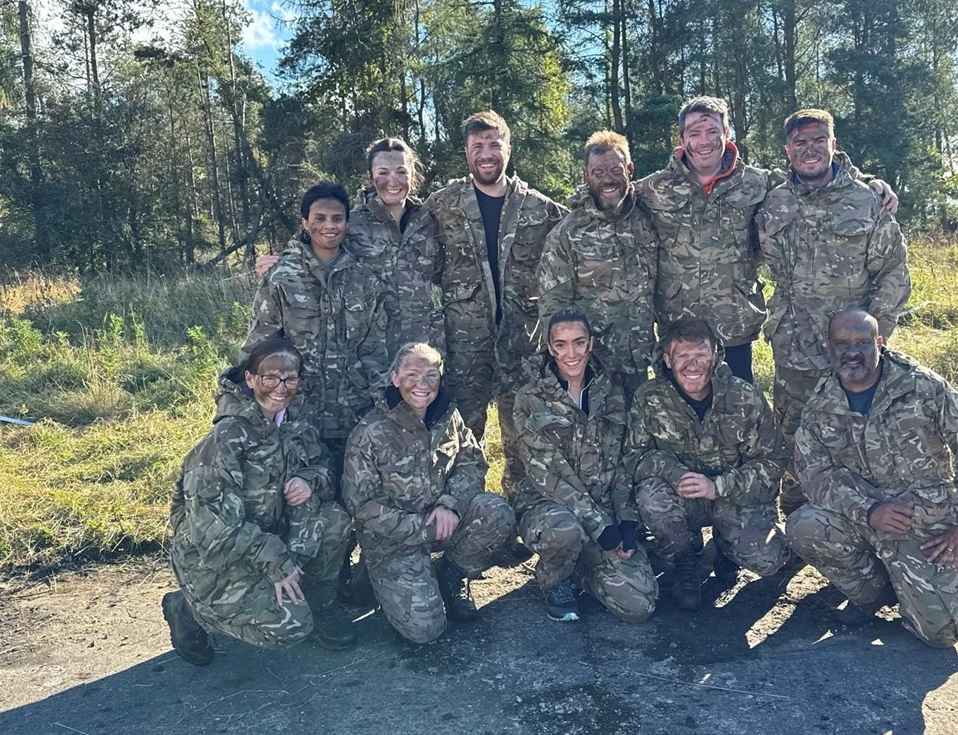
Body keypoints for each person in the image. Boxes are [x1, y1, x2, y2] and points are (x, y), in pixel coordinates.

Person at [636, 97, 898, 384]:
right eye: (695, 134)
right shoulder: (653, 189)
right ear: (682, 139)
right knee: (673, 414)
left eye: (713, 132)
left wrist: (867, 179)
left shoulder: (758, 183)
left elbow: (815, 178)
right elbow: (612, 196)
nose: (705, 141)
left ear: (726, 135)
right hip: (678, 328)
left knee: (738, 414)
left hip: (733, 327)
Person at [787, 309, 958, 648]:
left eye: (862, 342)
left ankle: (935, 582)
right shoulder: (820, 405)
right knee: (804, 525)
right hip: (862, 517)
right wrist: (869, 510)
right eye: (842, 343)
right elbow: (814, 475)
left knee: (943, 633)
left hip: (921, 521)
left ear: (879, 343)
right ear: (829, 347)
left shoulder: (922, 386)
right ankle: (874, 594)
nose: (851, 352)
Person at [163, 339, 356, 665]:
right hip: (215, 561)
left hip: (272, 540)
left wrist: (309, 481)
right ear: (250, 379)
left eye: (289, 378)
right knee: (290, 626)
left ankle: (318, 608)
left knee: (335, 519)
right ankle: (189, 609)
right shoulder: (224, 441)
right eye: (270, 378)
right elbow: (215, 533)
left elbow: (326, 468)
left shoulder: (294, 423)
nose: (281, 388)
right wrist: (278, 562)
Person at [757, 109, 911, 513]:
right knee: (794, 439)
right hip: (793, 349)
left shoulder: (864, 200)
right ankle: (798, 526)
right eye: (800, 143)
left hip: (852, 351)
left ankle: (860, 527)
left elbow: (893, 272)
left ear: (833, 144)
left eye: (818, 140)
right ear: (787, 150)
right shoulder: (772, 202)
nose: (809, 150)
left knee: (858, 440)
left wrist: (874, 338)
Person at [425, 111, 567, 506]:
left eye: (494, 145)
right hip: (463, 346)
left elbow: (585, 233)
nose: (486, 155)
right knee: (460, 436)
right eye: (477, 147)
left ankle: (522, 518)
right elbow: (392, 230)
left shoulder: (539, 208)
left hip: (521, 344)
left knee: (522, 436)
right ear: (467, 153)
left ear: (508, 148)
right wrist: (302, 244)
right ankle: (464, 520)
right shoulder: (443, 205)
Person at [342, 343, 516, 644]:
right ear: (394, 378)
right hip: (394, 542)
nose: (422, 385)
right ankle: (374, 575)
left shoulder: (448, 416)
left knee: (496, 512)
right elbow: (362, 505)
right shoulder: (370, 430)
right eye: (412, 374)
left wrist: (450, 505)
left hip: (442, 524)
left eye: (431, 376)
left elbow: (472, 463)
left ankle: (452, 573)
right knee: (426, 630)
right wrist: (423, 529)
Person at [625, 318, 791, 611]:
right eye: (682, 356)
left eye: (701, 354)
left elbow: (773, 460)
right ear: (667, 359)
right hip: (682, 498)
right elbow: (634, 456)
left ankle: (726, 549)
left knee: (768, 559)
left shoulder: (744, 397)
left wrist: (719, 486)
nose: (693, 364)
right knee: (651, 495)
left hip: (732, 497)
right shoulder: (648, 399)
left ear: (715, 355)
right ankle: (685, 558)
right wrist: (674, 473)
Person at [513, 311, 658, 623]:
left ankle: (580, 566)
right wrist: (599, 526)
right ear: (550, 349)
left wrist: (627, 521)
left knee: (638, 606)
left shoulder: (612, 391)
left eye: (579, 343)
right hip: (549, 507)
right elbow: (547, 475)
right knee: (565, 531)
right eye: (561, 345)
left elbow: (622, 461)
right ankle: (555, 576)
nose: (571, 353)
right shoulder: (530, 398)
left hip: (604, 508)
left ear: (591, 343)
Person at [241, 182, 390, 474]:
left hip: (355, 414)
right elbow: (259, 348)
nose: (329, 226)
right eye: (319, 218)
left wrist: (377, 411)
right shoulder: (281, 278)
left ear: (347, 222)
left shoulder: (364, 280)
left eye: (337, 218)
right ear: (305, 224)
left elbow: (376, 353)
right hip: (297, 414)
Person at [255, 139, 443, 357]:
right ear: (370, 177)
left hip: (421, 349)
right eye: (382, 172)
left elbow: (446, 271)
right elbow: (306, 246)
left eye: (401, 172)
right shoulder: (349, 222)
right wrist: (276, 262)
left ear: (412, 173)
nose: (392, 180)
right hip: (369, 354)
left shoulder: (428, 222)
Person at [537, 131, 658, 402]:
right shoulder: (568, 233)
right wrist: (569, 363)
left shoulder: (648, 219)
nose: (607, 179)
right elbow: (552, 306)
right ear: (586, 176)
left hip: (642, 362)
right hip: (591, 368)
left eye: (616, 170)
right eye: (598, 171)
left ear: (629, 170)